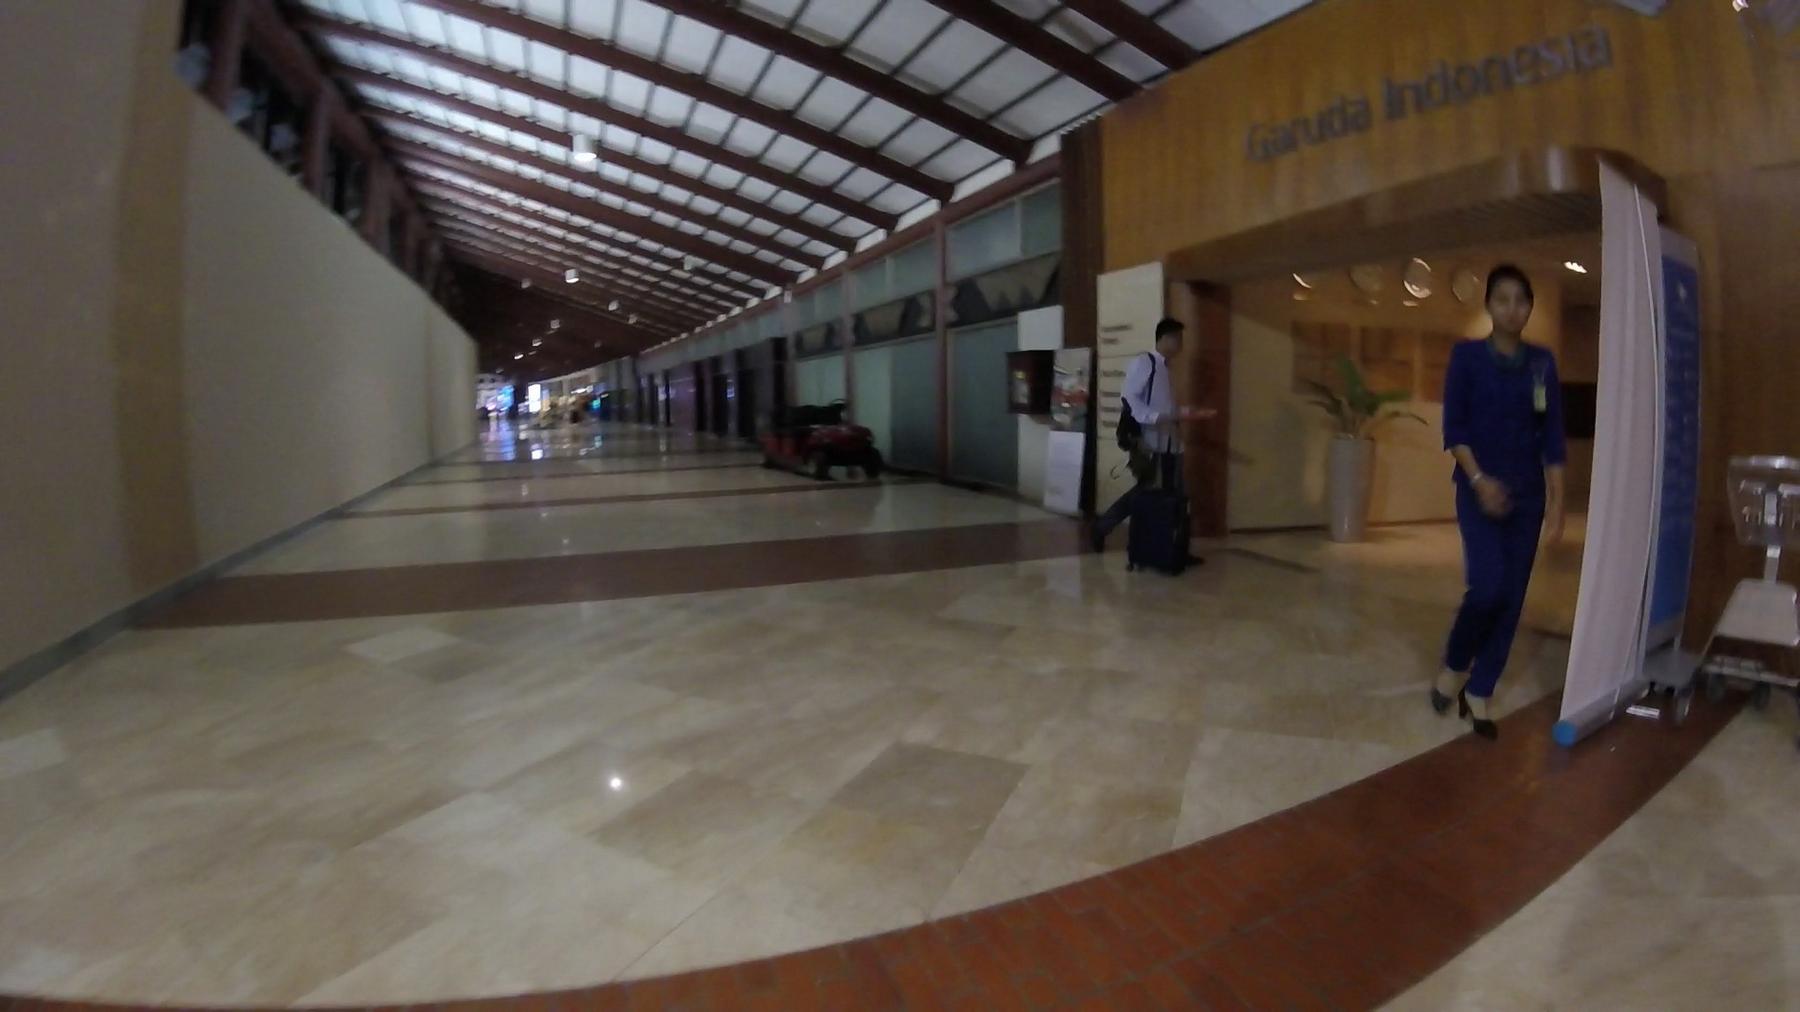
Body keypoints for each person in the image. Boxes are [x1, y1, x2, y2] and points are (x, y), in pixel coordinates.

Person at [1430, 264, 1567, 739]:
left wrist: (1557, 499)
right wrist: (1480, 479)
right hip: (1478, 492)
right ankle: (1453, 665)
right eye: (1503, 299)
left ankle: (1480, 689)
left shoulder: (1542, 363)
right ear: (1488, 305)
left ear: (1530, 307)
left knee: (1511, 599)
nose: (1514, 309)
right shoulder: (1466, 358)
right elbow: (1456, 429)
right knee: (1486, 588)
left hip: (1527, 497)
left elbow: (1552, 436)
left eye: (1522, 300)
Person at [1091, 317, 1214, 553]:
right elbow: (1129, 398)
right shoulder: (1145, 363)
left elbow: (1167, 408)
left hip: (1170, 442)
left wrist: (1191, 413)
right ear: (1165, 339)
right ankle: (1104, 527)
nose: (1180, 345)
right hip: (1151, 443)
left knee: (1172, 494)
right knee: (1147, 492)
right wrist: (1155, 418)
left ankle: (1170, 546)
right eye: (1177, 339)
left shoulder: (1166, 369)